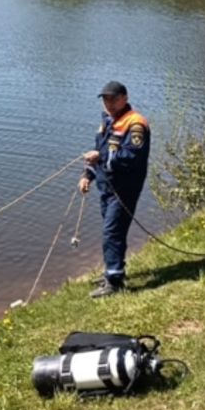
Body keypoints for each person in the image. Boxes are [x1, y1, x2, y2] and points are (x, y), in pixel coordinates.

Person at [78, 81, 150, 298]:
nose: (108, 103)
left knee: (112, 232)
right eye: (105, 99)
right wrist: (87, 175)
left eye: (113, 99)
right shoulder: (108, 121)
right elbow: (99, 151)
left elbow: (131, 157)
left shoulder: (136, 124)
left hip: (124, 188)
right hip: (106, 187)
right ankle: (113, 270)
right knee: (113, 231)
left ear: (124, 98)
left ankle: (114, 282)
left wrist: (100, 157)